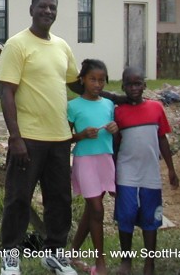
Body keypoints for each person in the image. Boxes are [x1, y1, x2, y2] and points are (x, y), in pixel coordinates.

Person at [0, 0, 79, 275]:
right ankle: (10, 257)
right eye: (42, 6)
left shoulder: (62, 46)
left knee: (60, 200)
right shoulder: (17, 45)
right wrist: (15, 137)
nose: (48, 11)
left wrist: (111, 98)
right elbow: (7, 93)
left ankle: (55, 254)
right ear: (31, 9)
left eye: (53, 7)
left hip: (59, 138)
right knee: (18, 198)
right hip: (28, 139)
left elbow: (75, 83)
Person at [113, 67, 179, 275]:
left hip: (150, 173)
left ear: (144, 85)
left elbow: (162, 139)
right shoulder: (117, 111)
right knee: (127, 214)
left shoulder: (156, 108)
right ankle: (126, 261)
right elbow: (115, 145)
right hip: (126, 172)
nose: (134, 88)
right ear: (123, 86)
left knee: (151, 218)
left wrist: (171, 169)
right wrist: (111, 173)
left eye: (138, 83)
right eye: (130, 84)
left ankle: (149, 263)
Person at [67, 59, 118, 275]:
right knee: (97, 209)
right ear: (82, 80)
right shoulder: (73, 106)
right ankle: (101, 262)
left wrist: (115, 128)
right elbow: (65, 138)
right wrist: (81, 135)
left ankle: (72, 253)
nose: (97, 84)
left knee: (92, 210)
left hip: (105, 160)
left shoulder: (108, 105)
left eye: (101, 80)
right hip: (85, 160)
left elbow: (116, 135)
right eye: (93, 79)